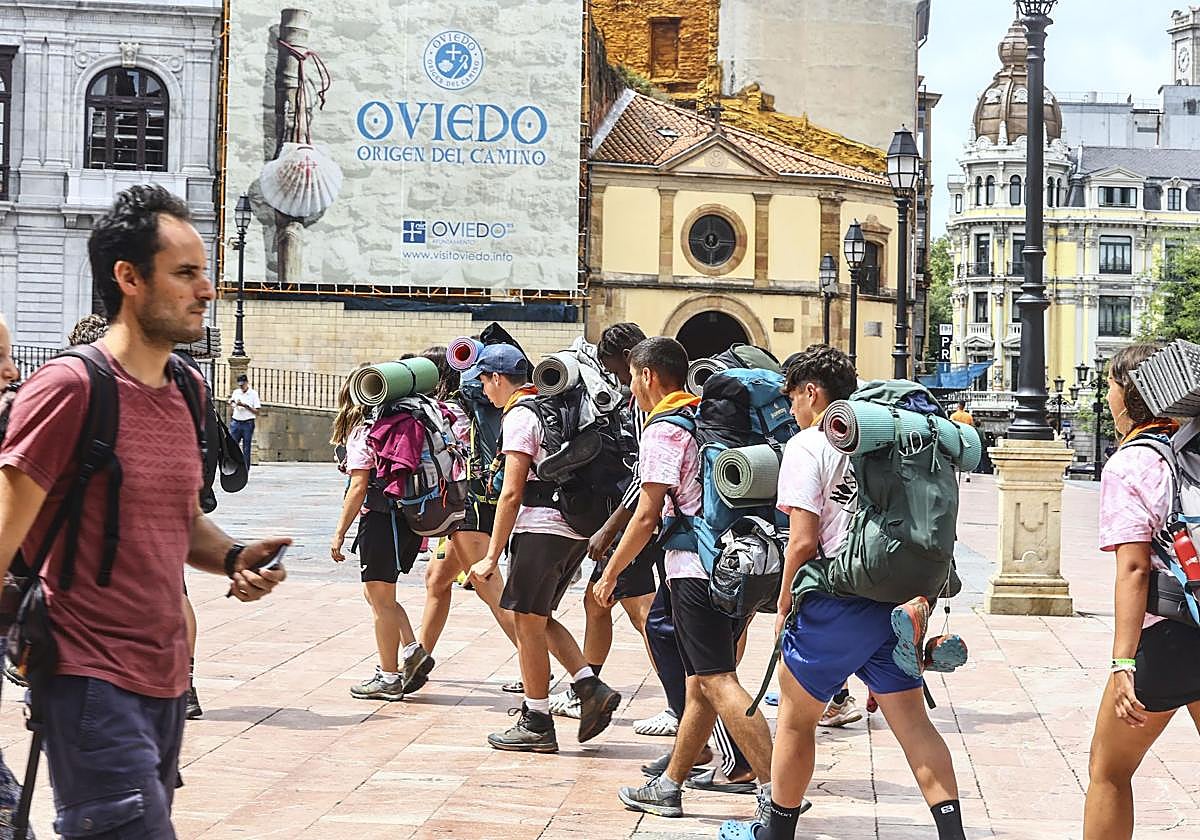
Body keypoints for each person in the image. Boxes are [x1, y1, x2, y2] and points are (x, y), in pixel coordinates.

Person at [0, 184, 288, 837]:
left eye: (204, 272)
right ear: (128, 278)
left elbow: (180, 524)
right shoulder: (69, 389)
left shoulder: (187, 389)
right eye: (184, 274)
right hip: (86, 677)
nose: (206, 290)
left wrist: (234, 557)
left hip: (164, 680)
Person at [722, 344, 965, 840]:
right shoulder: (883, 439)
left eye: (792, 397)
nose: (791, 408)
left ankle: (775, 833)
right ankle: (952, 834)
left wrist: (784, 603)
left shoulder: (807, 445)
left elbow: (803, 540)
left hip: (834, 599)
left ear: (812, 392)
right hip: (895, 602)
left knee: (796, 721)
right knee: (914, 726)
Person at [600, 337, 774, 819]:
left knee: (717, 680)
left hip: (693, 570)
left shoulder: (664, 429)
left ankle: (778, 794)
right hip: (731, 562)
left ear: (648, 375)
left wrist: (611, 572)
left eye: (632, 378)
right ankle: (670, 785)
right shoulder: (704, 418)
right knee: (700, 682)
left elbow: (647, 513)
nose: (630, 388)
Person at [468, 343, 621, 753]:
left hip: (540, 530)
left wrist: (491, 555)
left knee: (526, 622)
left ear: (498, 378)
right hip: (572, 530)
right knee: (538, 618)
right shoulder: (553, 407)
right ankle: (589, 686)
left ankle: (536, 720)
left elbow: (511, 491)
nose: (483, 390)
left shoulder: (522, 415)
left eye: (484, 381)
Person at [1083, 343, 1200, 840]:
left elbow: (1134, 569)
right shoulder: (1193, 449)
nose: (1108, 395)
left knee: (1108, 770)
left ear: (1132, 394)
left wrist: (1122, 662)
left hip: (1169, 637)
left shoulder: (1132, 463)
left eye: (1111, 385)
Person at [547, 324, 658, 721]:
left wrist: (610, 527)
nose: (616, 376)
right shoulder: (640, 400)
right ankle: (586, 687)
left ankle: (680, 703)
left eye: (615, 367)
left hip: (634, 521)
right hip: (633, 518)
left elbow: (644, 476)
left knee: (643, 613)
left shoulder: (646, 405)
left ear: (630, 359)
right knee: (596, 602)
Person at [412, 345, 520, 689]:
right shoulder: (470, 405)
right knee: (437, 579)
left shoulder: (452, 409)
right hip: (473, 502)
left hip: (469, 505)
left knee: (494, 593)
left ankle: (536, 665)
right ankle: (417, 663)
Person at [330, 368, 429, 701]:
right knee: (378, 594)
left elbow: (358, 487)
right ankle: (412, 650)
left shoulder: (364, 432)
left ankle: (388, 678)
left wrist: (339, 533)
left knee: (380, 600)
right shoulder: (399, 423)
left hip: (380, 520)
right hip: (406, 518)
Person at [229, 373, 261, 469]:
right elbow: (232, 403)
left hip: (248, 423)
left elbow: (257, 411)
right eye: (240, 385)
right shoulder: (236, 392)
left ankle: (246, 468)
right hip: (236, 421)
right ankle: (234, 467)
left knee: (246, 447)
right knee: (233, 446)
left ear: (247, 383)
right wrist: (232, 403)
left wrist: (245, 406)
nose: (241, 387)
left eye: (243, 385)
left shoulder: (253, 394)